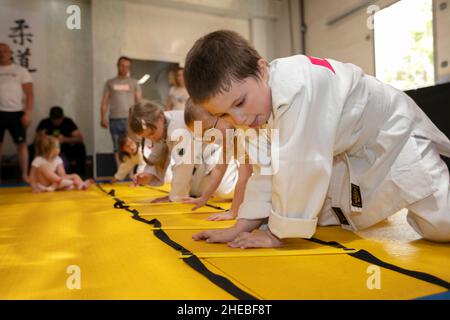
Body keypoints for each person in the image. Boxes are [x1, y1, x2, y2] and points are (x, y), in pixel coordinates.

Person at [184, 30, 450, 247]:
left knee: (442, 224)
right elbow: (264, 170)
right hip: (350, 155)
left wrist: (277, 235)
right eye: (225, 114)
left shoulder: (297, 87)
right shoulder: (256, 112)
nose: (238, 119)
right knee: (323, 220)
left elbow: (299, 164)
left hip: (393, 133)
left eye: (240, 102)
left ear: (262, 70)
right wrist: (240, 226)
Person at [128, 100, 238, 204]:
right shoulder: (158, 124)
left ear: (160, 117)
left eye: (151, 134)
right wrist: (149, 174)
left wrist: (176, 197)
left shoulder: (178, 127)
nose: (151, 139)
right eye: (147, 137)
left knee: (224, 191)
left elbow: (184, 164)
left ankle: (247, 176)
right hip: (202, 164)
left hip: (220, 152)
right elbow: (157, 152)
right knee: (195, 191)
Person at [183, 99, 253, 221]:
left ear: (222, 114)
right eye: (202, 135)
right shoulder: (228, 137)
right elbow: (219, 168)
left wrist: (233, 212)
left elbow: (244, 177)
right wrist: (205, 197)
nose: (209, 138)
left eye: (209, 129)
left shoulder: (242, 133)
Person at [0, 43, 33, 182]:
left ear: (10, 53)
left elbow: (30, 94)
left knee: (21, 144)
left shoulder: (21, 71)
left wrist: (28, 113)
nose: (2, 53)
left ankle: (25, 175)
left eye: (4, 51)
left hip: (16, 112)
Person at [100, 56, 142, 167]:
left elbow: (139, 102)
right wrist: (102, 117)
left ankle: (131, 176)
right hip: (114, 119)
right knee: (117, 146)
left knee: (132, 146)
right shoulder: (110, 82)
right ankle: (120, 174)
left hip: (130, 119)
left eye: (127, 66)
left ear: (129, 68)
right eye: (122, 66)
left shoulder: (133, 83)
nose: (124, 68)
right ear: (118, 66)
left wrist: (140, 118)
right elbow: (105, 101)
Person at [35, 106, 86, 176]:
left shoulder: (68, 122)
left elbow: (79, 138)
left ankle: (80, 172)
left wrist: (64, 139)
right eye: (54, 119)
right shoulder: (44, 123)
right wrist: (44, 137)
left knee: (80, 146)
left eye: (58, 119)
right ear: (50, 118)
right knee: (31, 148)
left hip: (66, 148)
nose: (56, 121)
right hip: (48, 149)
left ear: (62, 117)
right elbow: (35, 139)